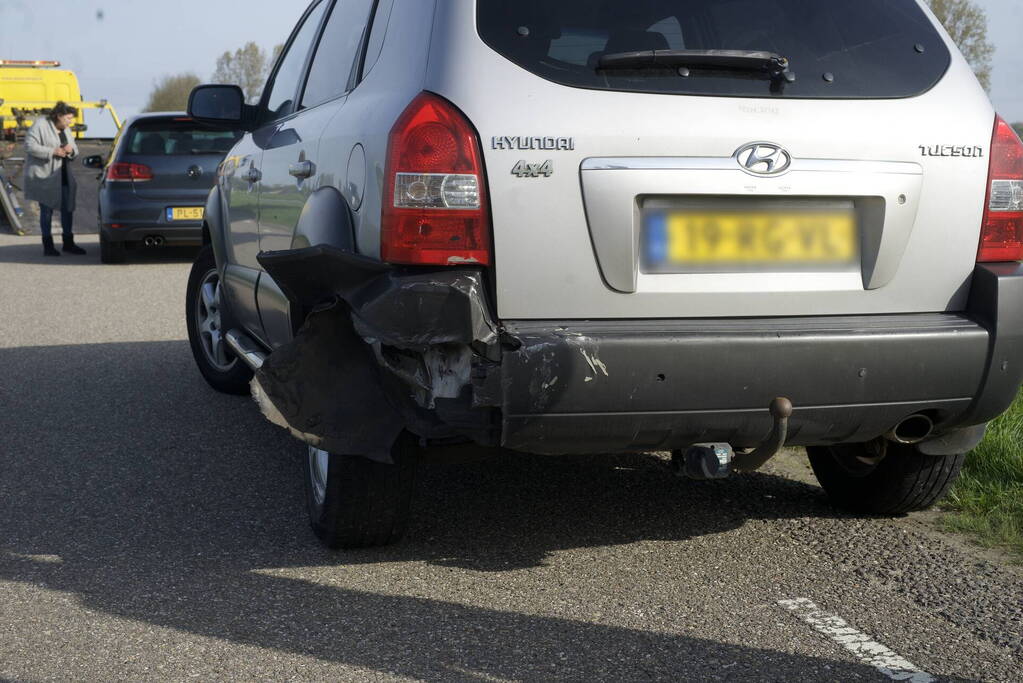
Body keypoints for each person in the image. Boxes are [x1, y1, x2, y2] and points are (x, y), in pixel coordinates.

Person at [23, 101, 87, 256]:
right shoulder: (40, 125)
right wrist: (52, 151)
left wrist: (71, 151)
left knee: (68, 208)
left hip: (64, 174)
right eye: (68, 118)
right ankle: (48, 245)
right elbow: (29, 146)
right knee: (46, 210)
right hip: (45, 176)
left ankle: (68, 243)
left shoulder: (66, 129)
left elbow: (74, 149)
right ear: (59, 116)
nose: (70, 121)